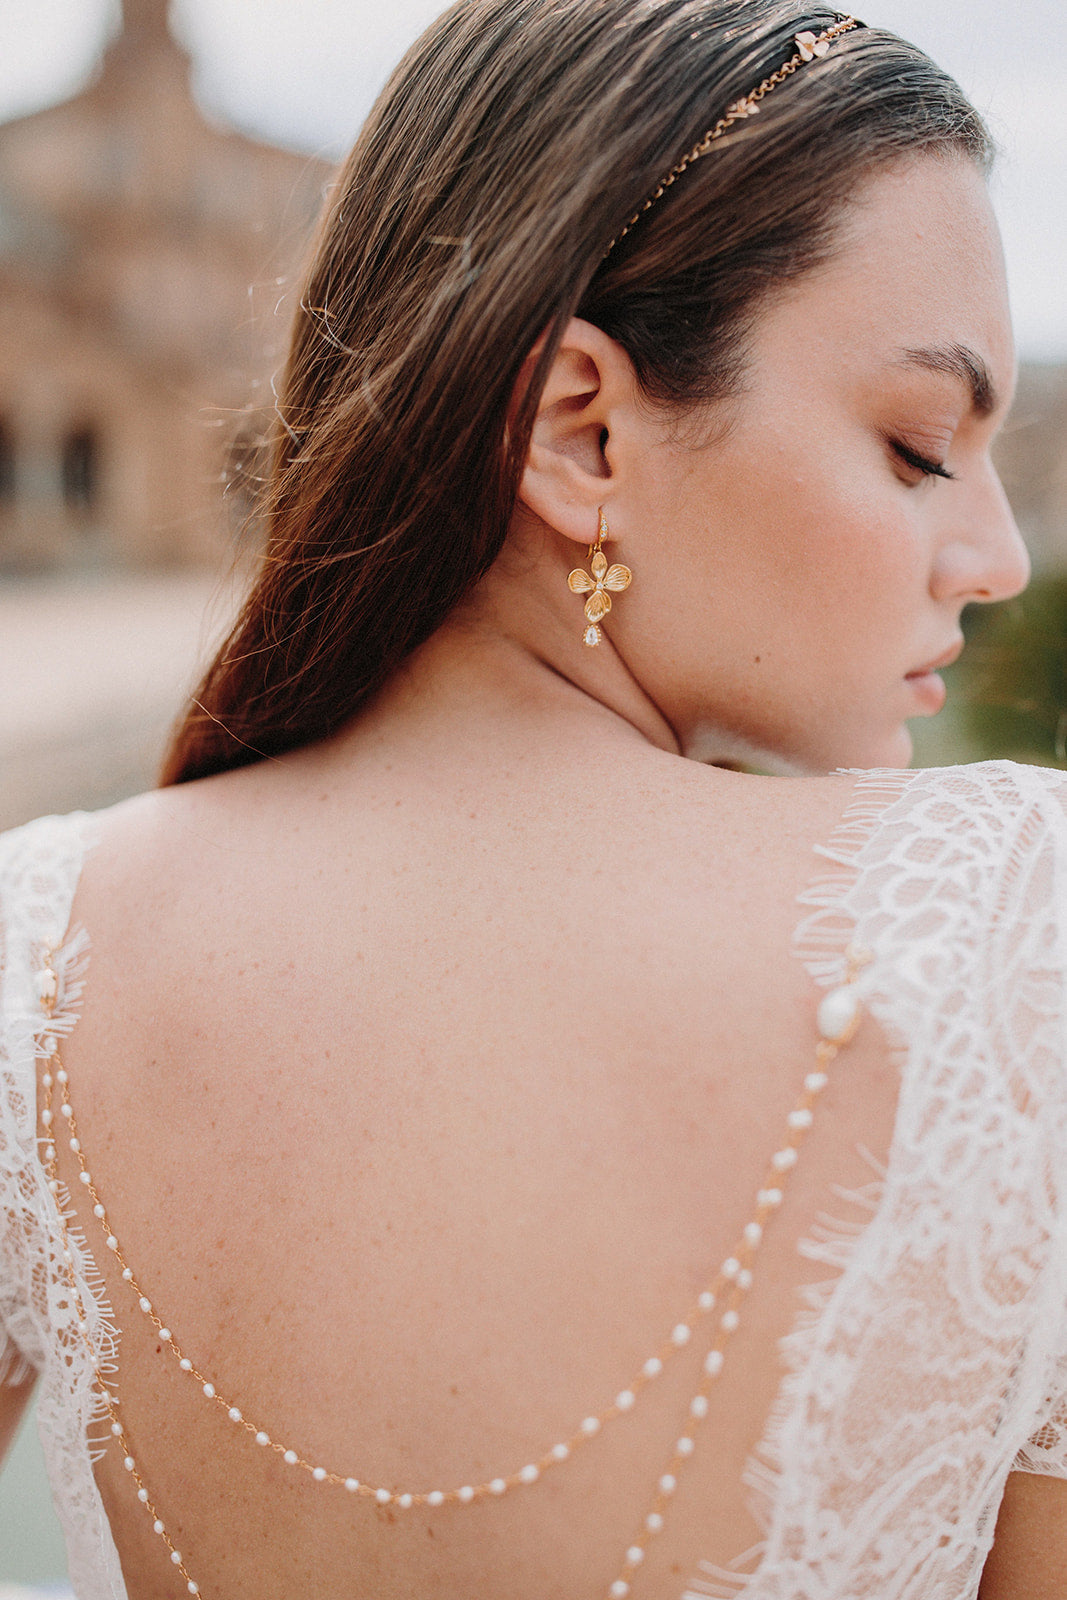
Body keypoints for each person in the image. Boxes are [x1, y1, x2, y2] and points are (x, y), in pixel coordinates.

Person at [1, 1, 1065, 1596]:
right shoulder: (1016, 935)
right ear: (583, 428)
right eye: (920, 447)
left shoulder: (34, 946)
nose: (1000, 558)